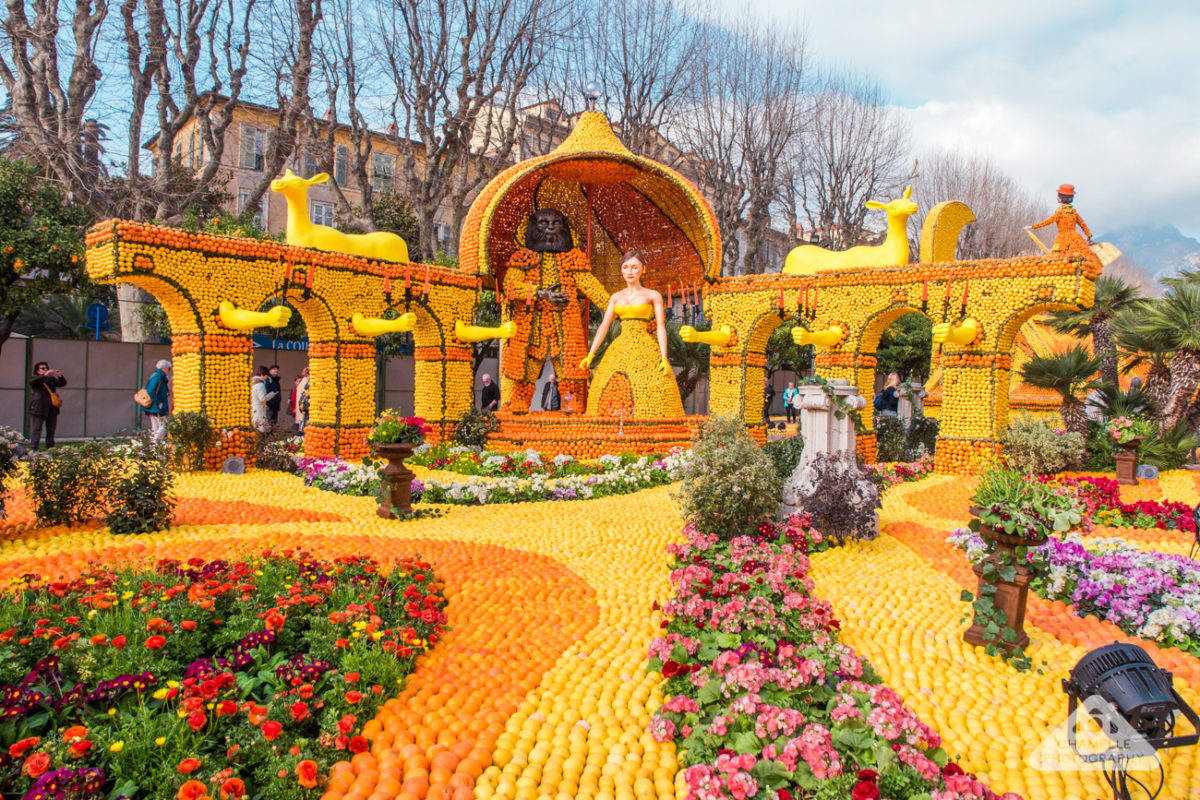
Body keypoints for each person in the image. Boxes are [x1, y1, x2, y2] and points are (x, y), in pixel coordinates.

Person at [502, 208, 610, 412]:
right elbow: (510, 287)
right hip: (532, 330)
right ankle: (517, 414)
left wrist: (624, 308)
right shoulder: (522, 259)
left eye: (556, 223)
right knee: (524, 374)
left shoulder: (572, 259)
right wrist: (540, 294)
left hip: (566, 331)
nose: (550, 228)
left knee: (569, 375)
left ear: (565, 228)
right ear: (533, 226)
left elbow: (593, 289)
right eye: (544, 223)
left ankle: (571, 414)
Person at [579, 250, 684, 417]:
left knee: (649, 385)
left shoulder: (652, 295)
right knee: (607, 383)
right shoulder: (616, 297)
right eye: (625, 267)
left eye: (635, 267)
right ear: (621, 270)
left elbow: (660, 326)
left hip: (645, 346)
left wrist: (664, 357)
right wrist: (590, 354)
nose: (629, 272)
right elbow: (604, 325)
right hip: (620, 346)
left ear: (643, 269)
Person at [1028, 184, 1092, 254]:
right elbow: (1083, 225)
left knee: (1059, 258)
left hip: (1062, 240)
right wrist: (1089, 236)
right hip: (1076, 239)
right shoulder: (1073, 212)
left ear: (1059, 198)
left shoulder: (1060, 213)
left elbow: (1047, 222)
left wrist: (1033, 226)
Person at [28, 361, 66, 451]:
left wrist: (60, 376)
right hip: (39, 407)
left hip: (51, 408)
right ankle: (33, 448)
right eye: (43, 368)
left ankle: (50, 448)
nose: (45, 370)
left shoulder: (51, 379)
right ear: (37, 371)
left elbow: (62, 384)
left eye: (46, 368)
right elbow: (32, 382)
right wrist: (44, 376)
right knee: (36, 429)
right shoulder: (35, 379)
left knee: (51, 429)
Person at [143, 360, 172, 442]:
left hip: (154, 406)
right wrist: (158, 402)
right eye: (168, 369)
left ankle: (151, 447)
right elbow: (151, 391)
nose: (168, 371)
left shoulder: (158, 376)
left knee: (155, 427)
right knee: (164, 425)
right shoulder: (158, 377)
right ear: (163, 368)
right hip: (157, 406)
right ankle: (154, 444)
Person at [251, 367, 277, 432]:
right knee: (261, 429)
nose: (266, 378)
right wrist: (272, 394)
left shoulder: (253, 383)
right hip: (259, 409)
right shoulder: (260, 384)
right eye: (266, 376)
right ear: (262, 375)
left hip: (253, 408)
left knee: (256, 427)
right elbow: (262, 398)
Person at [295, 367, 310, 432]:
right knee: (304, 431)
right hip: (304, 410)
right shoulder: (306, 383)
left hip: (301, 410)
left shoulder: (303, 382)